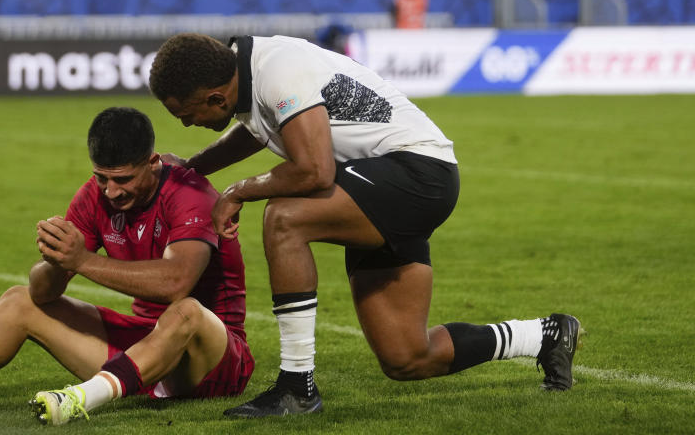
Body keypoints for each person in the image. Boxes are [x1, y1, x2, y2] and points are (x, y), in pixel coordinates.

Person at [149, 34, 581, 418]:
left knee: (284, 219)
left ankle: (296, 387)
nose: (187, 124)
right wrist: (193, 167)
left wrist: (237, 191)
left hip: (416, 175)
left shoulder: (276, 69)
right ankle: (545, 334)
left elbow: (314, 171)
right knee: (407, 357)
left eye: (184, 114)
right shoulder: (252, 74)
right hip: (379, 183)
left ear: (215, 98)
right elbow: (261, 131)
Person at [0, 107, 253, 426]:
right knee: (19, 300)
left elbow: (176, 284)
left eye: (122, 180)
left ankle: (80, 399)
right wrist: (57, 261)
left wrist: (83, 259)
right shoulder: (97, 195)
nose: (111, 191)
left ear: (151, 161)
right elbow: (42, 293)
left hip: (213, 362)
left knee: (186, 312)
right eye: (101, 178)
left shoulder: (190, 193)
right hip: (144, 352)